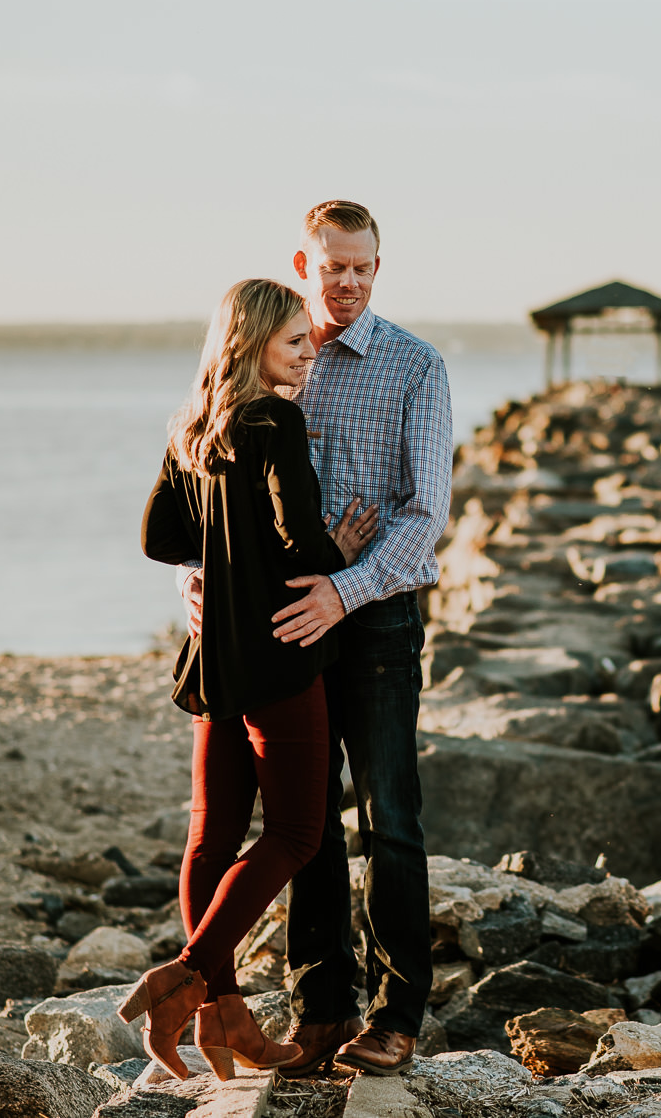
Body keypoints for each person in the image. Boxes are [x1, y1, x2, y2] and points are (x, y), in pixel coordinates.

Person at [179, 200, 453, 1077]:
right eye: (333, 266)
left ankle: (398, 1014)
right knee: (307, 823)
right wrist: (198, 577)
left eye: (363, 267)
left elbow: (424, 514)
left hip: (372, 616)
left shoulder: (415, 366)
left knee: (390, 819)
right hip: (277, 625)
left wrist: (347, 588)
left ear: (380, 267)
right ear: (303, 264)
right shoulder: (271, 350)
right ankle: (322, 1010)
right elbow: (205, 484)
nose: (348, 282)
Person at [130, 278, 382, 1080]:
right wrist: (340, 552)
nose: (310, 354)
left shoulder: (194, 424)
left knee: (212, 838)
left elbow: (159, 538)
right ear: (253, 347)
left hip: (214, 664)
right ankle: (190, 975)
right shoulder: (276, 418)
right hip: (277, 656)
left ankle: (222, 1015)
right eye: (294, 343)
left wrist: (216, 568)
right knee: (298, 834)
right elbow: (303, 545)